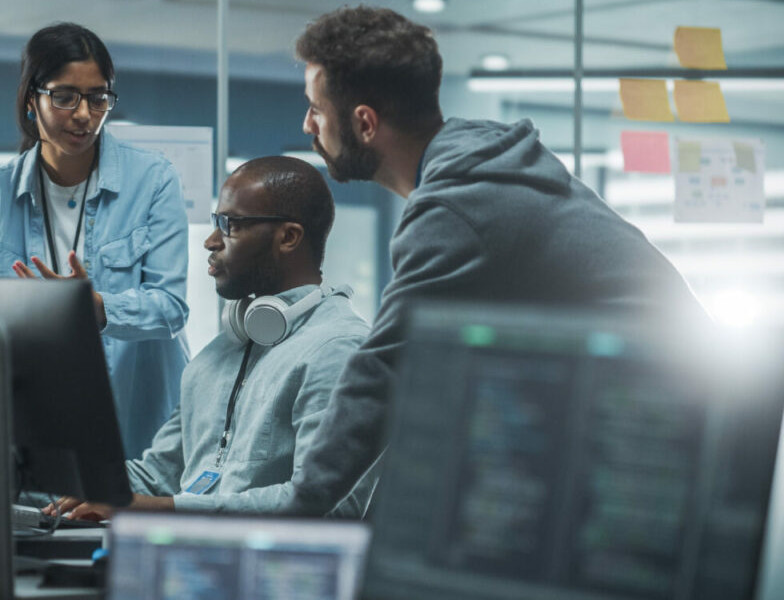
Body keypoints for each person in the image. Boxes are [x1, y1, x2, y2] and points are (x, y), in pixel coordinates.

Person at [287, 6, 707, 516]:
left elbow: (381, 374)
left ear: (365, 123)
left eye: (315, 108)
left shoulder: (458, 204)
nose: (306, 123)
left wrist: (297, 514)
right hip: (652, 419)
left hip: (658, 442)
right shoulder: (478, 162)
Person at [47, 156, 372, 520]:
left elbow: (331, 506)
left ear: (289, 237)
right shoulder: (218, 354)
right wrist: (70, 482)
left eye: (230, 225)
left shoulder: (339, 350)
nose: (210, 240)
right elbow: (157, 477)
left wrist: (159, 508)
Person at [0, 23, 190, 459]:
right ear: (32, 99)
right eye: (65, 97)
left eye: (99, 97)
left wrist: (97, 308)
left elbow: (171, 309)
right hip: (35, 425)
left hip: (137, 431)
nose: (84, 114)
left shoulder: (154, 180)